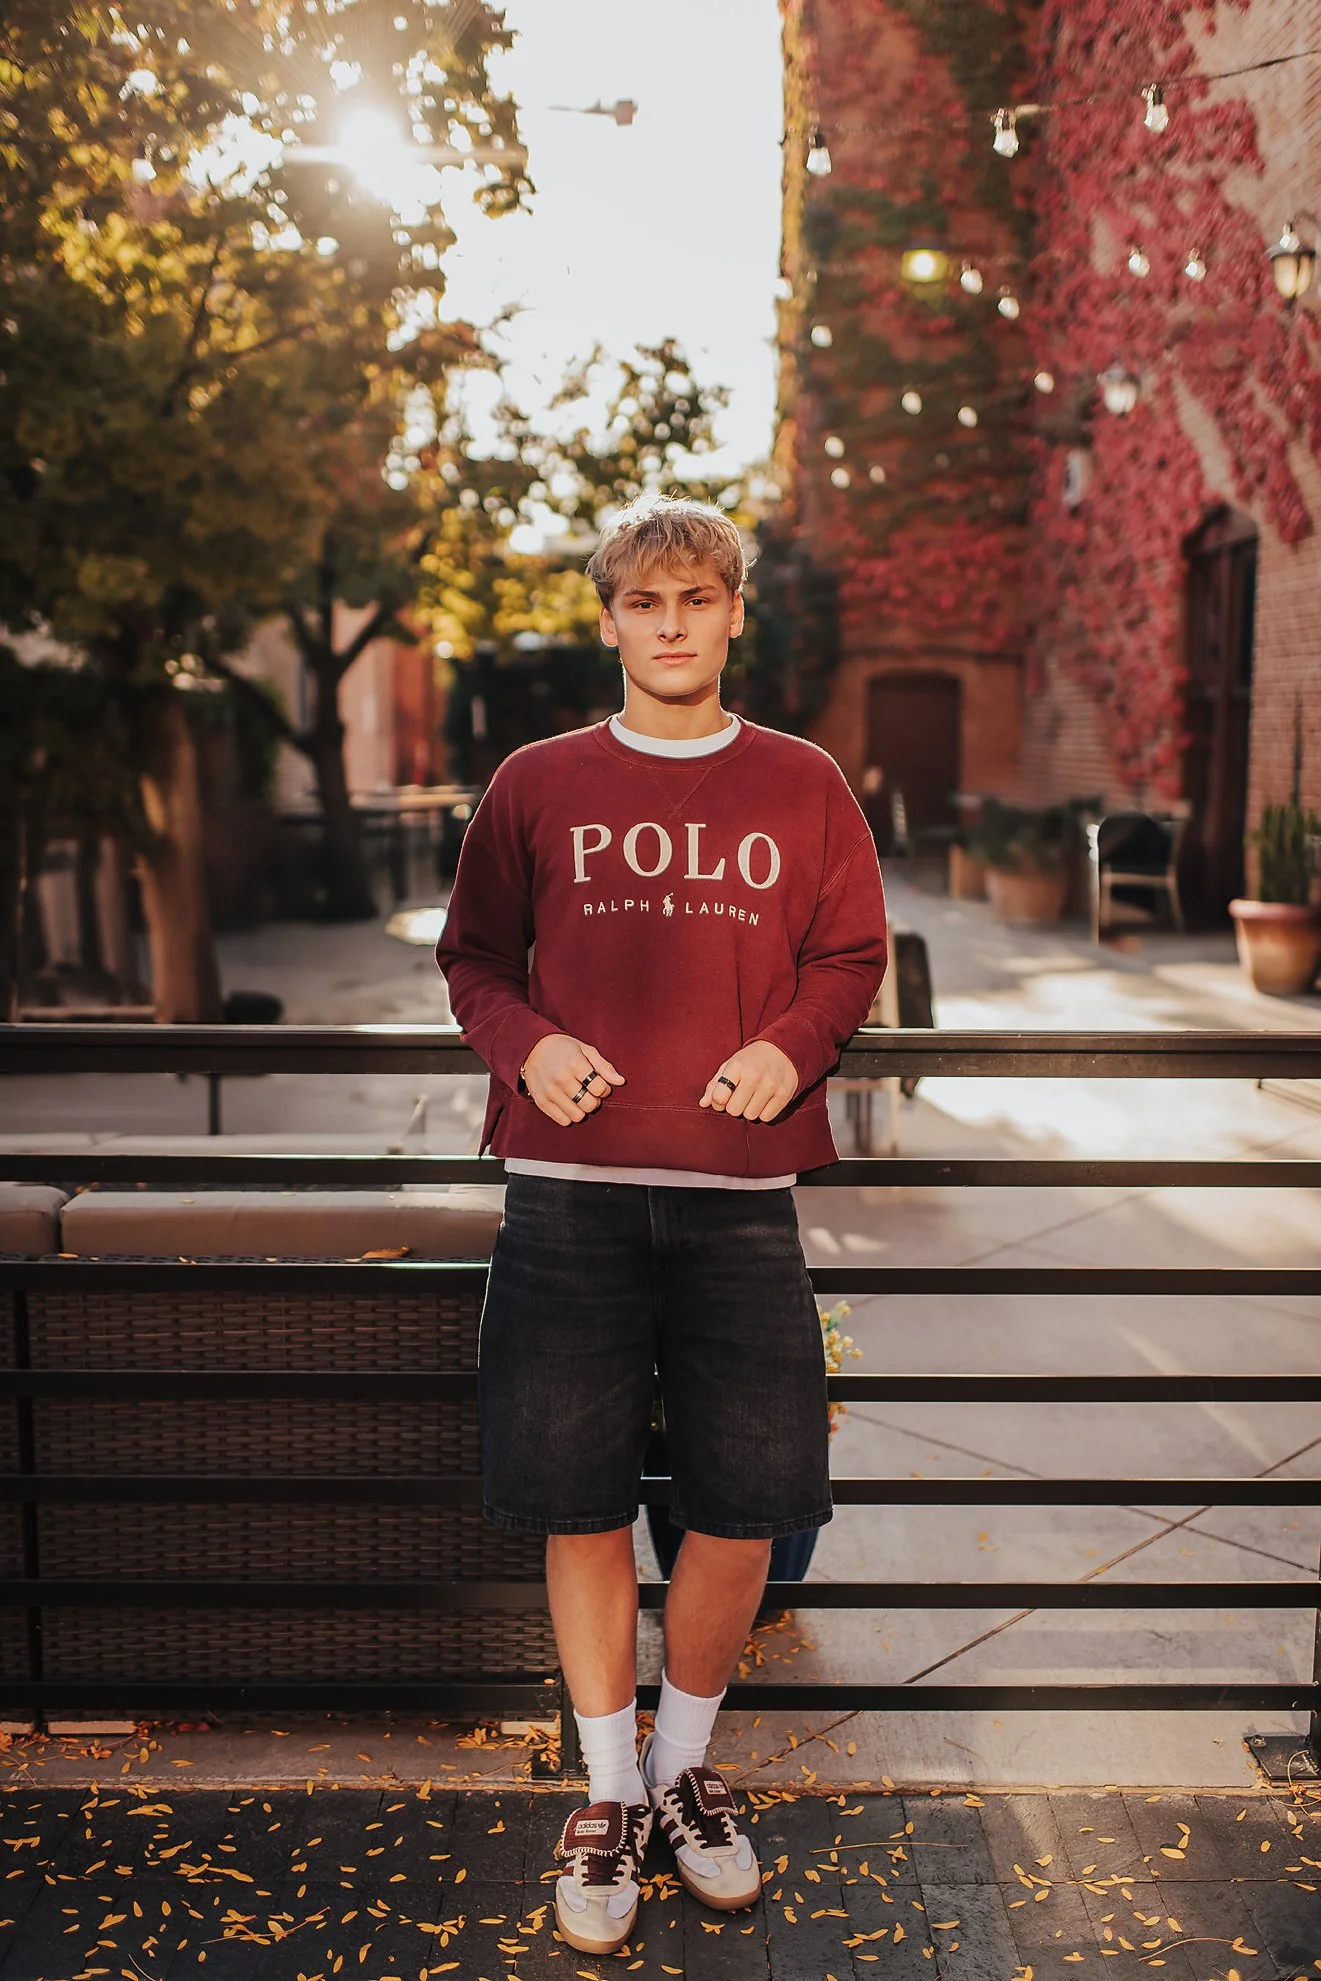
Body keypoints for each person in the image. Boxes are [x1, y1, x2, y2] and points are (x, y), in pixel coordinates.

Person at [436, 493, 888, 1956]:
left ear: (733, 612)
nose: (673, 623)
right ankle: (610, 1791)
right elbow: (474, 957)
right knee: (575, 1501)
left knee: (746, 1503)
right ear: (614, 619)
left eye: (699, 598)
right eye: (647, 603)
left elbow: (852, 951)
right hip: (566, 1198)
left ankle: (689, 1770)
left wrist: (796, 1043)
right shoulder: (537, 782)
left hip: (742, 1203)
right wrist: (527, 1046)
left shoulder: (805, 782)